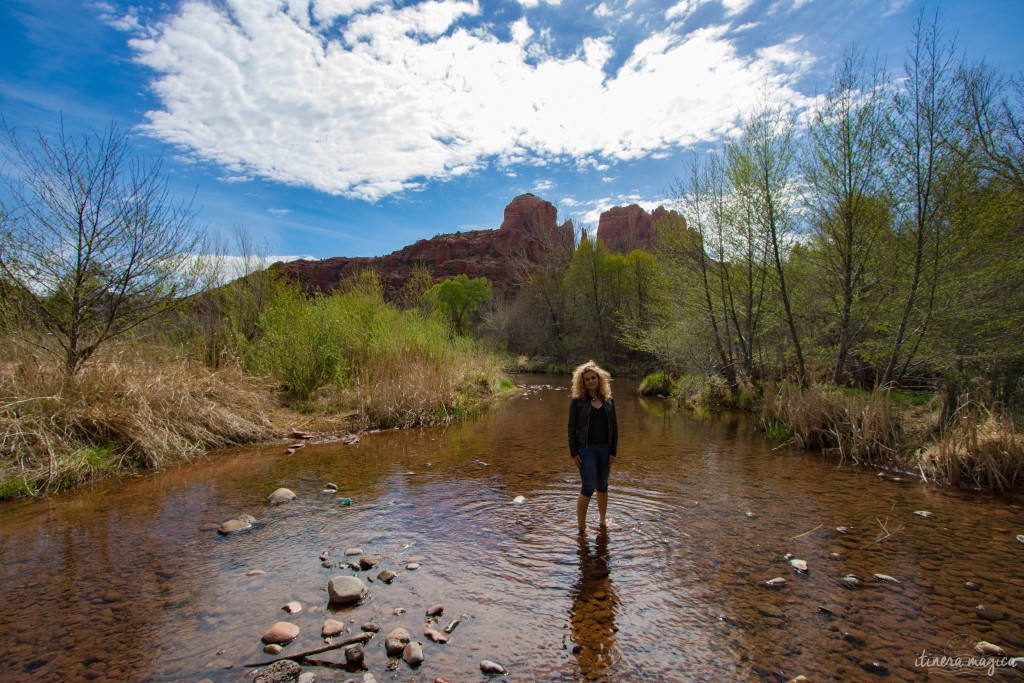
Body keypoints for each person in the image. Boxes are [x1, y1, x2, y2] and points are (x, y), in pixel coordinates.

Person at [567, 360, 618, 534]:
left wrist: (613, 451)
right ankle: (581, 527)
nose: (590, 381)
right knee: (588, 486)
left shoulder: (609, 400)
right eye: (587, 379)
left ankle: (602, 521)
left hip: (605, 449)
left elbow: (615, 427)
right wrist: (573, 452)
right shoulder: (578, 401)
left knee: (603, 485)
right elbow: (571, 427)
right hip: (585, 449)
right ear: (582, 382)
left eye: (593, 378)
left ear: (599, 379)